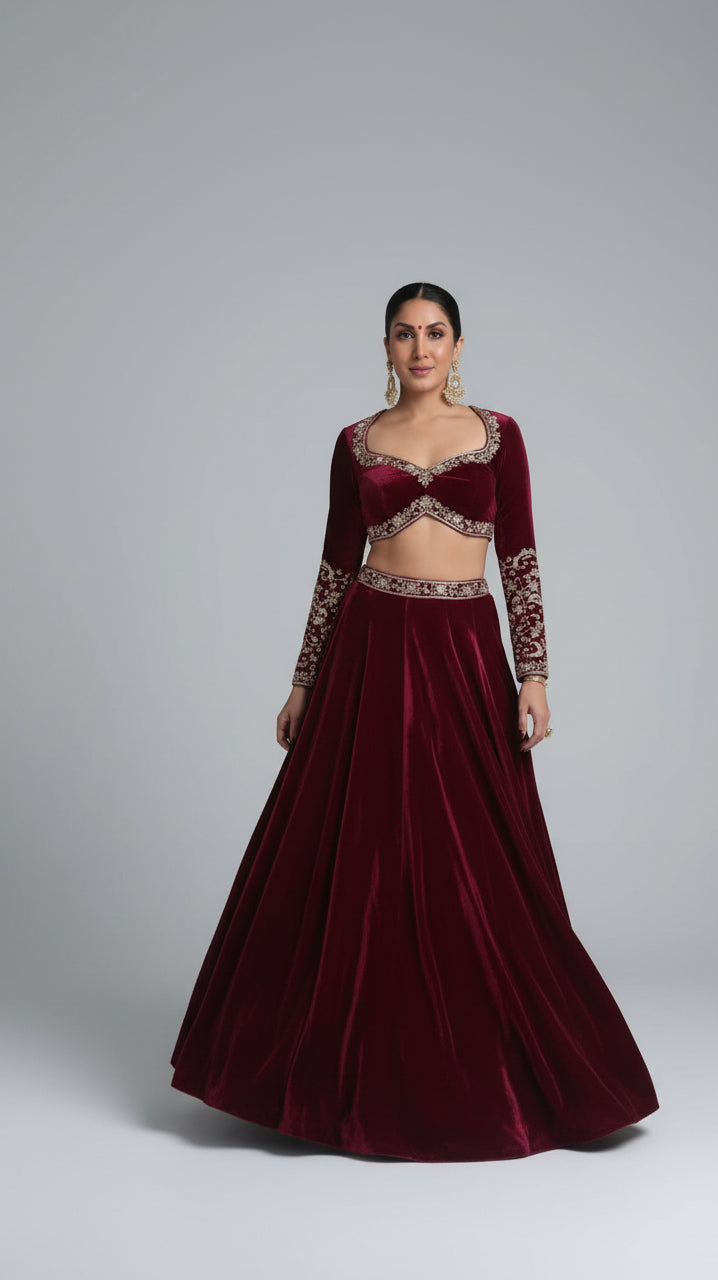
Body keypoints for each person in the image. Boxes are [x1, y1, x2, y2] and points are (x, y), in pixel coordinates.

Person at [170, 281, 659, 1162]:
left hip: (466, 650)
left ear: (460, 345)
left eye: (436, 333)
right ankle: (336, 1070)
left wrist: (536, 673)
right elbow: (332, 565)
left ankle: (499, 1066)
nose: (421, 349)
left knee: (480, 854)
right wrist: (303, 681)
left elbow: (520, 556)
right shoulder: (355, 443)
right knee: (352, 850)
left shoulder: (499, 436)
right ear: (386, 346)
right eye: (405, 334)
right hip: (372, 646)